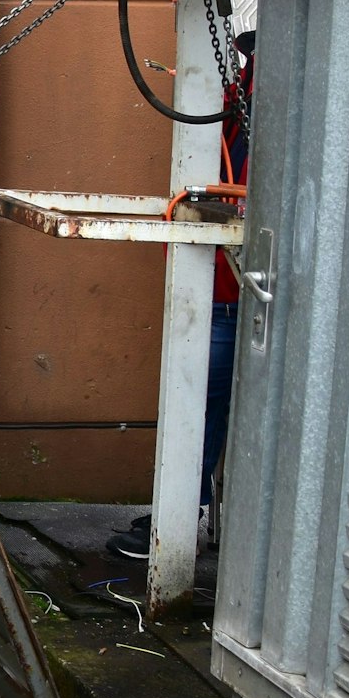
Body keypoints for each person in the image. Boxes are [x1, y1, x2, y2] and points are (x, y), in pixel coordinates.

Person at [112, 30, 253, 559]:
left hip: (232, 288)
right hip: (225, 283)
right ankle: (181, 517)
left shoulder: (249, 100)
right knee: (203, 403)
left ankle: (178, 524)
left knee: (202, 401)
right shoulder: (240, 97)